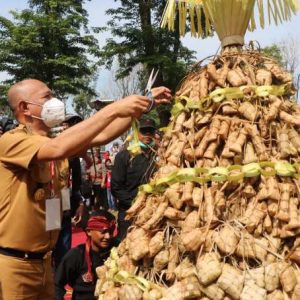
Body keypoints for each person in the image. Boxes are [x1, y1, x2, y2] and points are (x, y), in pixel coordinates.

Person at [0, 78, 171, 299]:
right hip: (15, 265)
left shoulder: (55, 140)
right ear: (24, 107)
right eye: (47, 97)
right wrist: (114, 108)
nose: (55, 102)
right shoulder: (11, 141)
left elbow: (102, 135)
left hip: (44, 261)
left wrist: (144, 104)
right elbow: (57, 148)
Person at [111, 117, 158, 241]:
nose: (147, 135)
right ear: (137, 133)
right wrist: (135, 204)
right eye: (144, 131)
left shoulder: (160, 156)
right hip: (129, 213)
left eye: (151, 131)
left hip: (153, 213)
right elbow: (116, 188)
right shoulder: (124, 156)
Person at [55, 210, 117, 300]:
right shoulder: (76, 255)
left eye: (111, 232)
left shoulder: (118, 251)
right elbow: (57, 284)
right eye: (103, 232)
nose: (108, 236)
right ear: (88, 231)